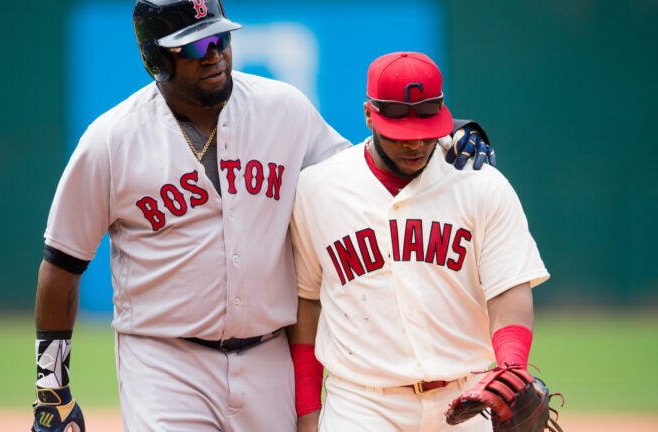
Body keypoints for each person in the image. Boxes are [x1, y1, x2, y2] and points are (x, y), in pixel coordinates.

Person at [30, 1, 494, 431]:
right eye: (195, 46)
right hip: (166, 362)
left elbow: (358, 174)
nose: (215, 54)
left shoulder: (282, 109)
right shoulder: (112, 141)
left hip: (269, 357)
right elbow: (62, 265)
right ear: (156, 59)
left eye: (221, 38)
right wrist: (52, 391)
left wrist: (439, 136)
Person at [287, 51, 549, 432]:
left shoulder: (481, 184)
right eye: (401, 135)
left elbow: (508, 287)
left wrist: (511, 368)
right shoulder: (318, 190)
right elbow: (307, 302)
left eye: (425, 132)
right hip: (363, 404)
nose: (415, 145)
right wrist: (308, 412)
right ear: (368, 115)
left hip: (466, 397)